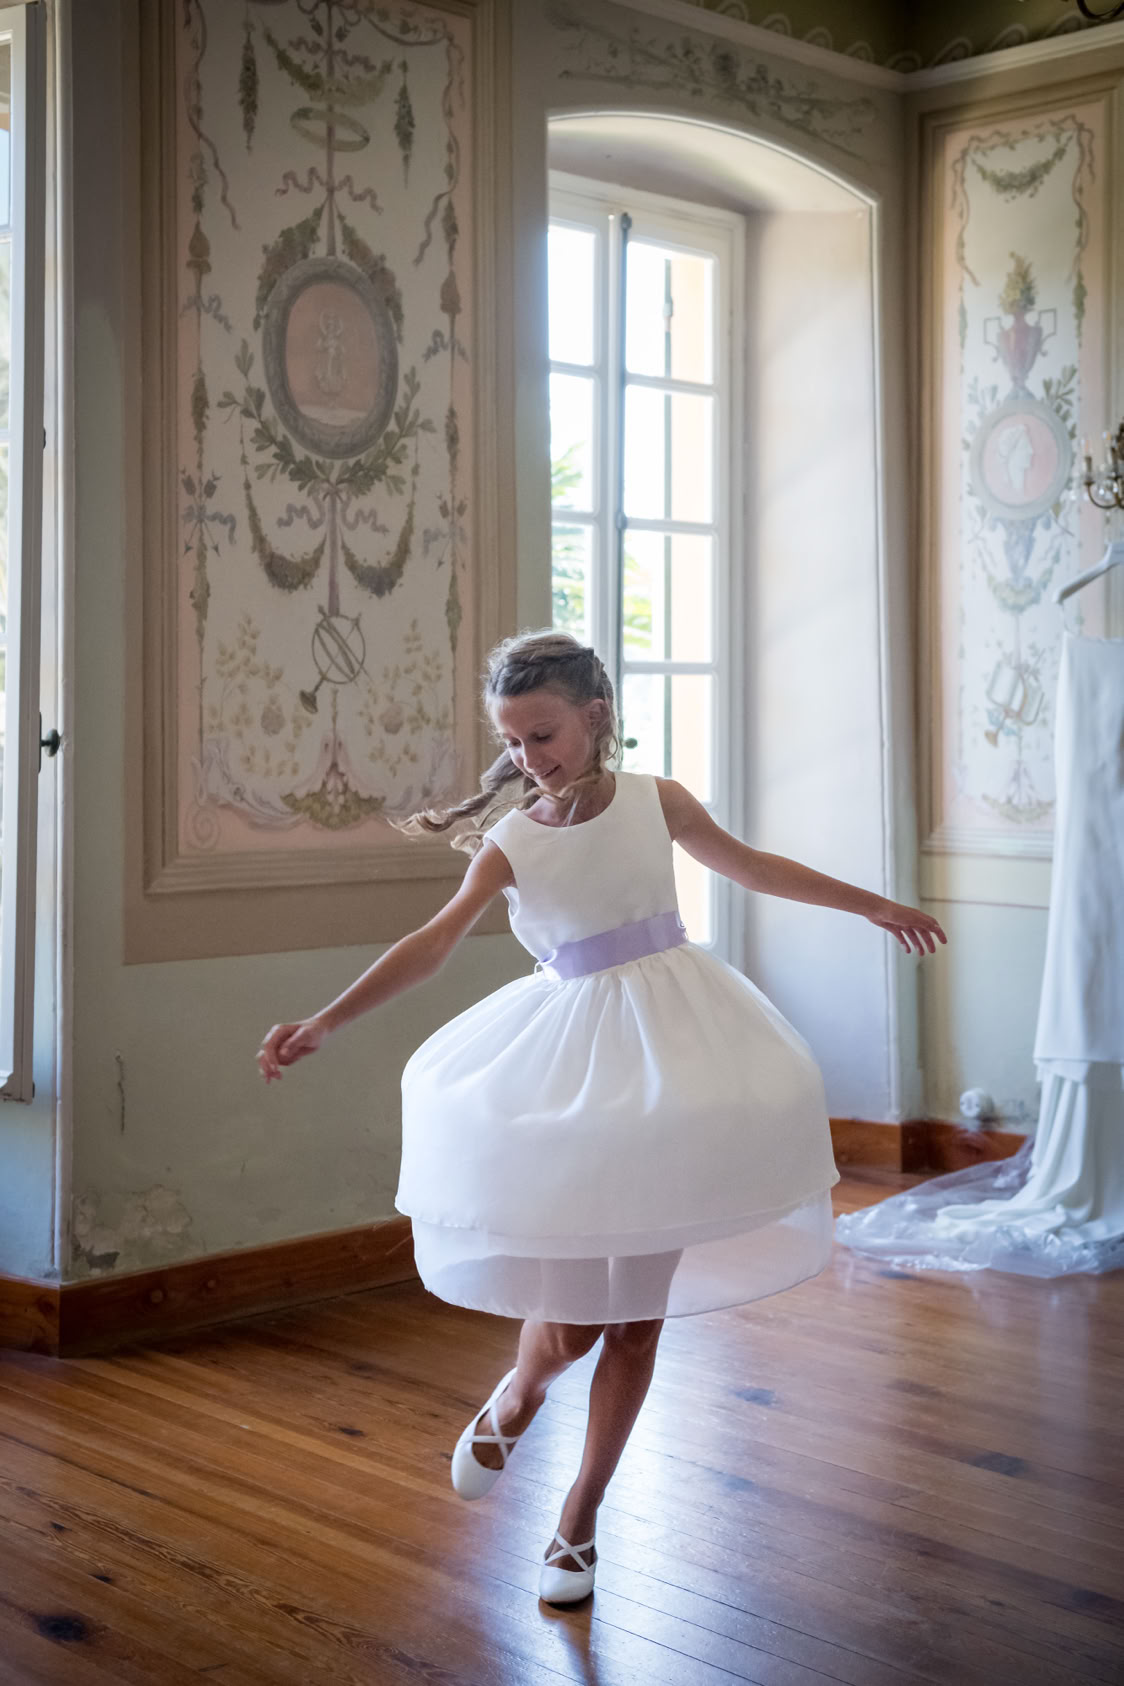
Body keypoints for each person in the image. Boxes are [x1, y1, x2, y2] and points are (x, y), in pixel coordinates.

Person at [256, 628, 946, 1606]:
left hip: (673, 1055)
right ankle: (517, 1393)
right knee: (574, 1326)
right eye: (514, 742)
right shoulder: (511, 842)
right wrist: (325, 1019)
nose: (530, 758)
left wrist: (870, 905)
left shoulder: (657, 801)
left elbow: (750, 867)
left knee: (634, 1321)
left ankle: (579, 1517)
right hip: (572, 1072)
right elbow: (431, 942)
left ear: (595, 718)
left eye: (544, 735)